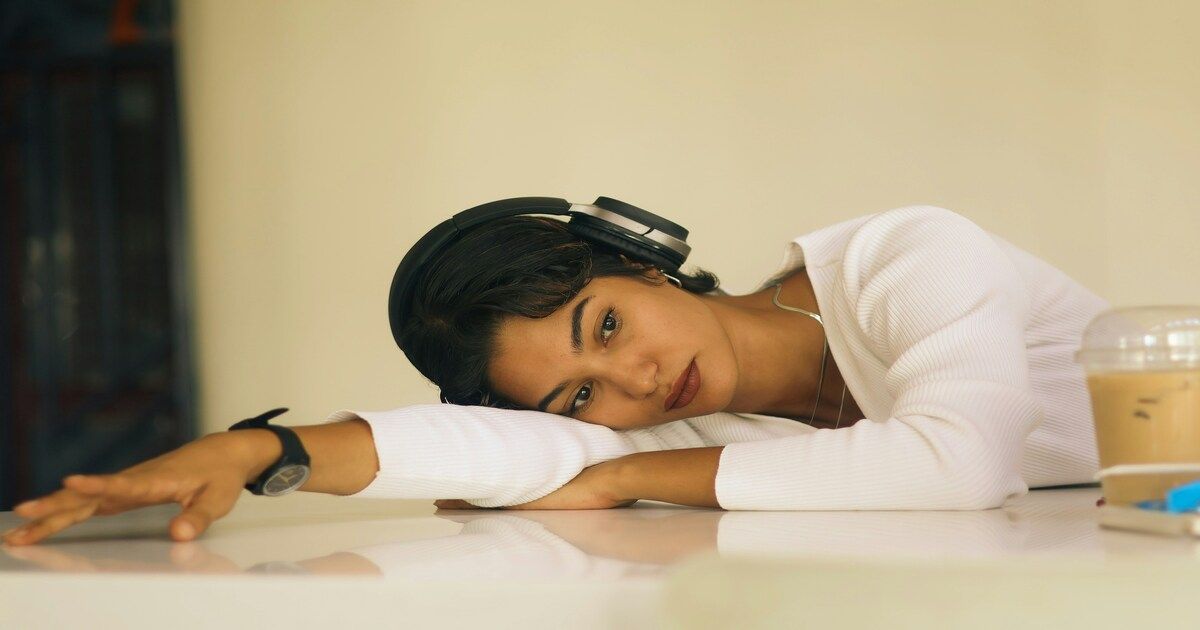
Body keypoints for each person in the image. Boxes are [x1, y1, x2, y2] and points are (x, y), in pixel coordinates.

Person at [1, 201, 1110, 547]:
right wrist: (263, 450)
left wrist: (629, 478)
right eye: (582, 393)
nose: (633, 380)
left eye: (606, 321)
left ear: (642, 260)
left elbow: (963, 464)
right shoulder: (682, 421)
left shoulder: (904, 254)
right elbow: (510, 450)